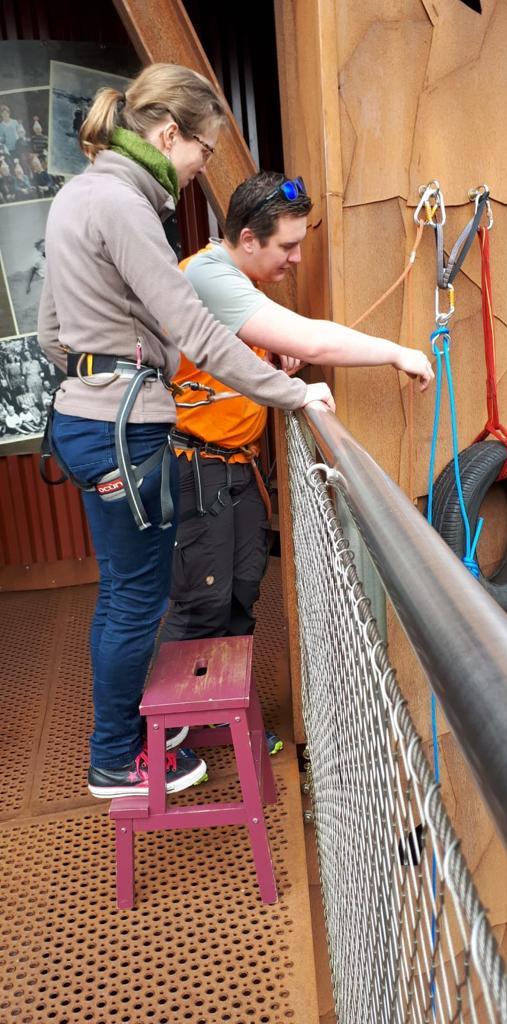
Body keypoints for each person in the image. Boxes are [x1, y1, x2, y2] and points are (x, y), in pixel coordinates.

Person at [37, 65, 334, 801]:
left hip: (81, 419)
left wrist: (102, 375)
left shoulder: (78, 194)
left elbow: (49, 333)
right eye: (203, 150)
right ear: (170, 134)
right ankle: (115, 757)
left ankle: (134, 730)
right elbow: (195, 328)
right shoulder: (127, 205)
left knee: (123, 594)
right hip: (124, 430)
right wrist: (292, 393)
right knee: (138, 602)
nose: (203, 166)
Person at [161, 170, 434, 754]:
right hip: (197, 467)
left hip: (235, 469)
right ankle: (164, 739)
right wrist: (397, 352)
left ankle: (221, 717)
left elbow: (237, 351)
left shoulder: (235, 281)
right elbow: (312, 340)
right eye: (287, 245)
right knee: (201, 603)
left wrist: (270, 355)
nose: (297, 257)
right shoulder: (207, 274)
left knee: (238, 597)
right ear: (248, 239)